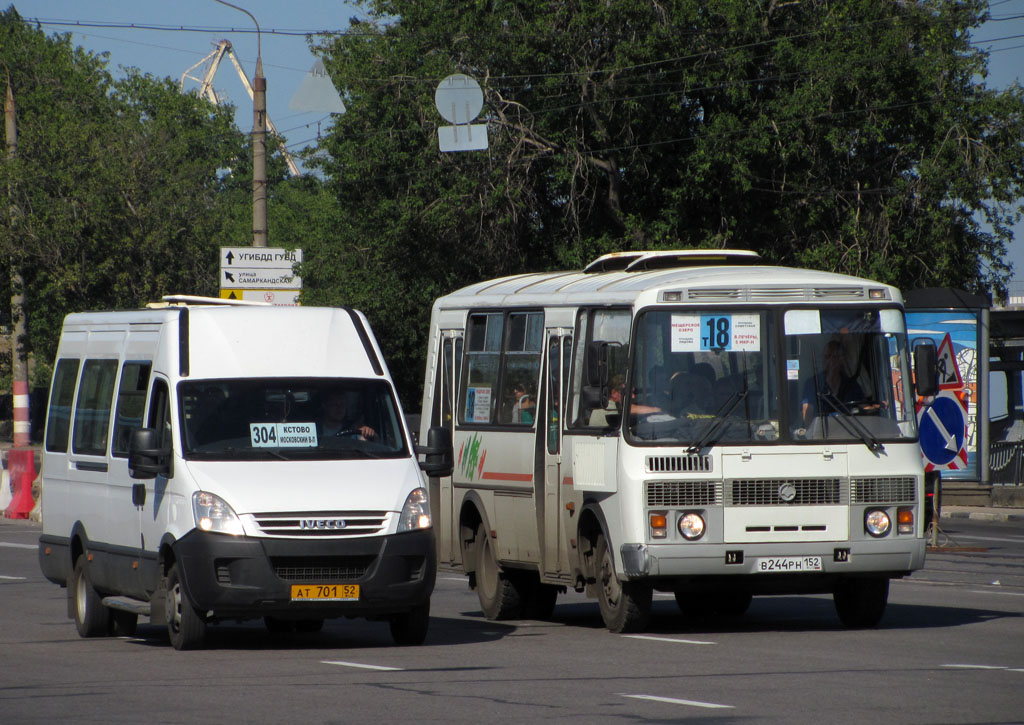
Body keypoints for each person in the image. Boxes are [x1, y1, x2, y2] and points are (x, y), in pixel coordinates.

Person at [801, 340, 865, 424]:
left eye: (834, 357)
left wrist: (878, 406)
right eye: (827, 357)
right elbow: (807, 414)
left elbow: (864, 409)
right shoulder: (812, 384)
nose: (830, 361)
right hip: (822, 433)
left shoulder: (852, 386)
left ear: (842, 359)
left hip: (849, 434)